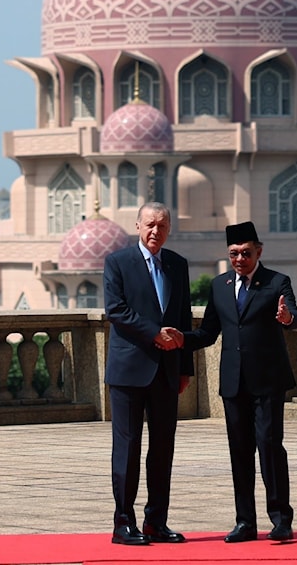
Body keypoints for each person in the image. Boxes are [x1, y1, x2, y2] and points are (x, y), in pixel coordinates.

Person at [182, 221, 297, 543]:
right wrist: (180, 340)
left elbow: (293, 316)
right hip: (234, 384)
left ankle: (281, 520)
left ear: (258, 252)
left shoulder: (276, 282)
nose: (239, 259)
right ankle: (245, 522)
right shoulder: (220, 286)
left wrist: (287, 318)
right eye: (233, 254)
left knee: (269, 447)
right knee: (240, 451)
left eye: (246, 253)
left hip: (268, 380)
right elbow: (208, 332)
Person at [103, 202, 192, 546]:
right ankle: (123, 522)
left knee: (162, 449)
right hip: (129, 370)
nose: (156, 231)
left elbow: (183, 317)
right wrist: (153, 331)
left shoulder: (177, 265)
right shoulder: (118, 262)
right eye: (151, 224)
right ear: (138, 226)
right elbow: (116, 310)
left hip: (168, 371)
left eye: (163, 226)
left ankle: (157, 520)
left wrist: (186, 368)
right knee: (127, 448)